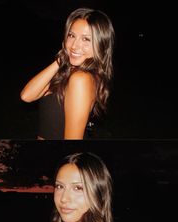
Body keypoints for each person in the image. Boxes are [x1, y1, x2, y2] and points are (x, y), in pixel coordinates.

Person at [20, 8, 115, 139]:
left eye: (86, 39)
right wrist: (61, 59)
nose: (75, 46)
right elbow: (27, 96)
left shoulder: (80, 79)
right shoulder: (68, 71)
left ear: (101, 44)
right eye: (71, 36)